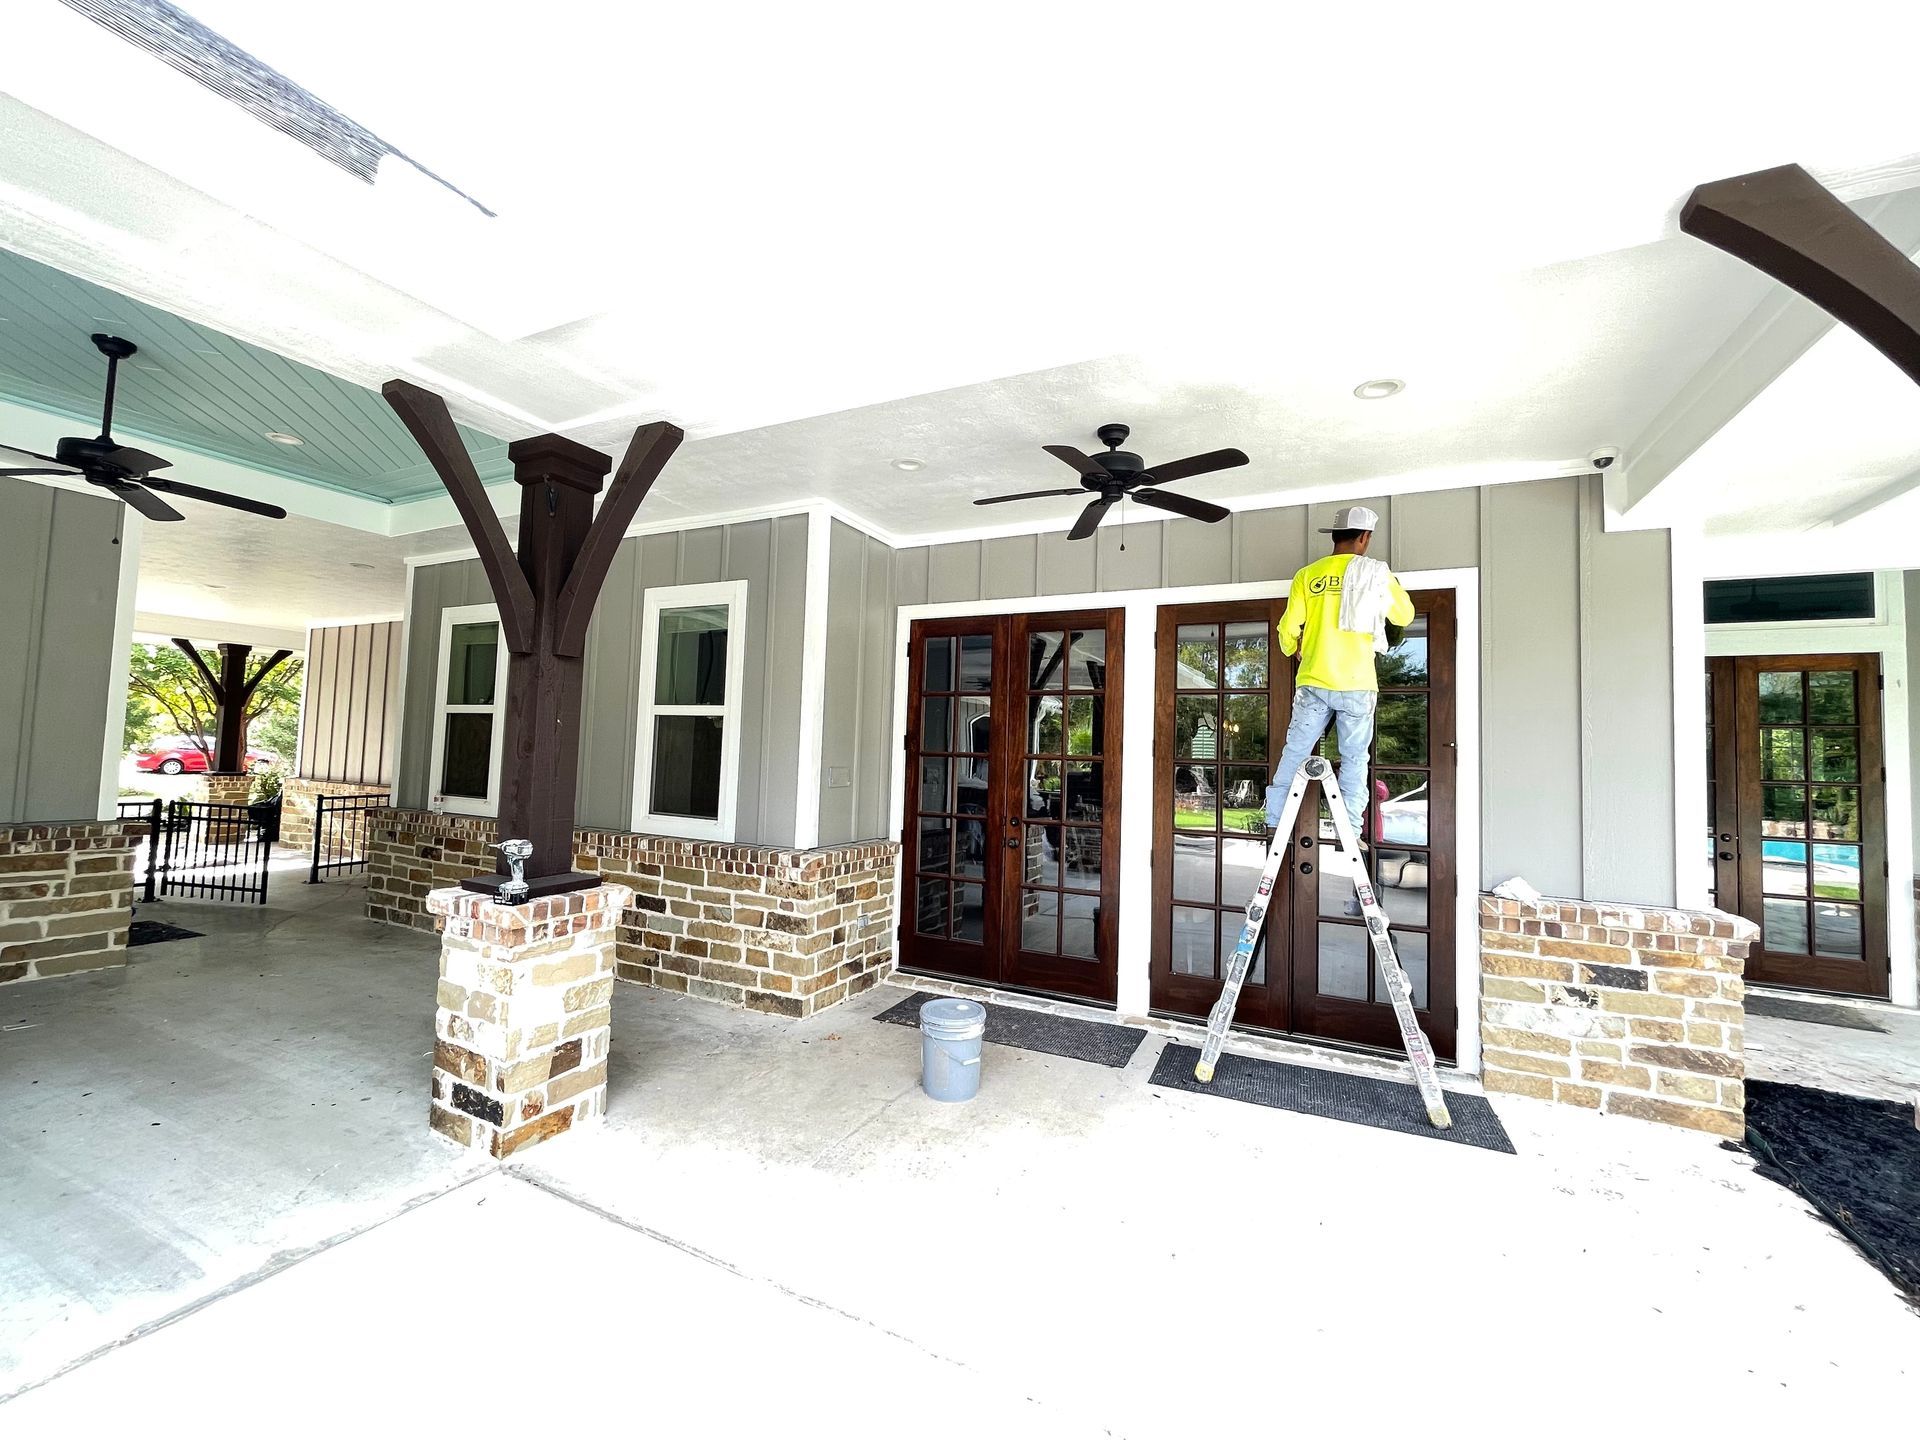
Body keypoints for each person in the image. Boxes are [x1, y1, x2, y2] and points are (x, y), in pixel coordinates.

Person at [1265, 506, 1413, 842]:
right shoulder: (1376, 573)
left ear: (1334, 536)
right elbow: (1403, 615)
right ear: (1365, 537)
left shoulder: (1308, 575)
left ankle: (1275, 821)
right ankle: (1350, 829)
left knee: (1295, 752)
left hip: (1314, 681)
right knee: (1354, 758)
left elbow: (1288, 628)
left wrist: (1294, 647)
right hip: (1357, 684)